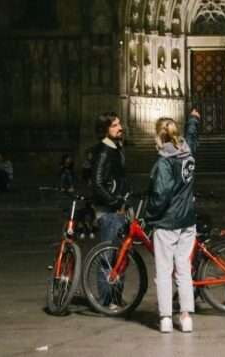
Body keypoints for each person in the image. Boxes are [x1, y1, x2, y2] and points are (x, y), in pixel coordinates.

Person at [144, 109, 200, 334]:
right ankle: (186, 317)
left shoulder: (163, 163)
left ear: (159, 136)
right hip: (187, 219)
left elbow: (160, 196)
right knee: (184, 269)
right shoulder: (188, 152)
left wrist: (149, 216)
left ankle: (166, 317)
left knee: (164, 271)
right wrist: (194, 119)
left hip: (167, 223)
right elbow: (193, 137)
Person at [90, 113, 132, 307]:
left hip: (120, 208)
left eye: (119, 123)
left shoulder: (117, 147)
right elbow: (97, 184)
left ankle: (115, 296)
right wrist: (115, 202)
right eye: (115, 125)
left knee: (121, 256)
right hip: (110, 210)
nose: (119, 127)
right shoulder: (103, 151)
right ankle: (106, 301)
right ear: (105, 129)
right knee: (108, 256)